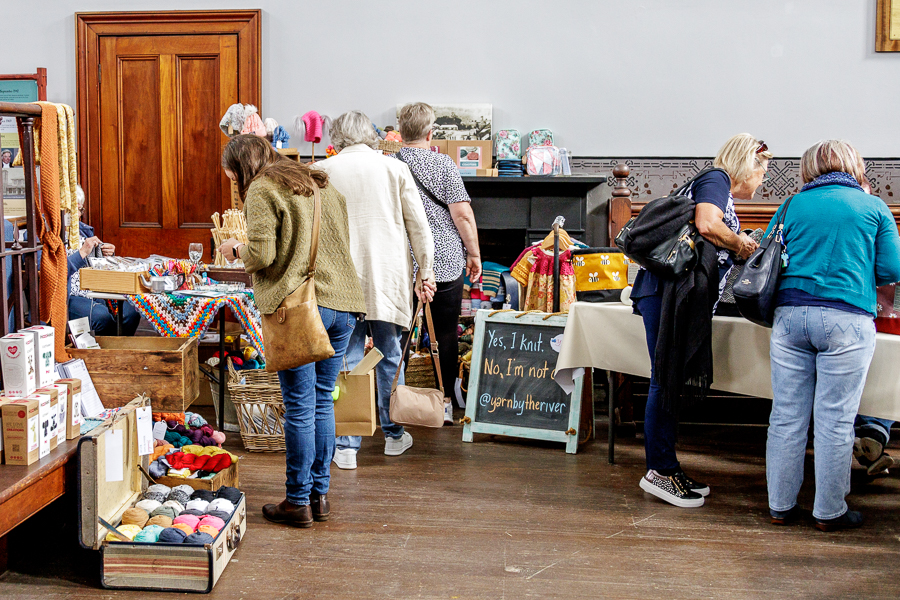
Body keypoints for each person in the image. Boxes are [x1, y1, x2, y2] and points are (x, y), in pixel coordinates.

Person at [218, 134, 367, 528]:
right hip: (344, 303)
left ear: (242, 167)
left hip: (301, 307)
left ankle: (297, 501)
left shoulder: (264, 189)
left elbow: (264, 255)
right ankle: (319, 496)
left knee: (300, 406)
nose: (235, 183)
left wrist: (236, 250)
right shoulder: (322, 184)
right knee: (321, 402)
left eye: (233, 175)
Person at [766, 140, 900, 531]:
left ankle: (780, 506)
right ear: (854, 165)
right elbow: (891, 268)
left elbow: (764, 251)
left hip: (790, 316)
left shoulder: (791, 205)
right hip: (847, 318)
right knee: (836, 420)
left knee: (786, 418)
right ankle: (829, 512)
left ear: (809, 168)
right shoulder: (872, 206)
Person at [630, 133, 767, 508]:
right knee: (665, 380)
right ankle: (659, 471)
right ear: (748, 165)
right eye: (762, 172)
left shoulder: (715, 185)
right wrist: (740, 243)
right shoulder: (717, 179)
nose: (762, 181)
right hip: (665, 293)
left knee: (669, 381)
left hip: (667, 294)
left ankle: (668, 467)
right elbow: (707, 225)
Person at [315, 110, 436, 470]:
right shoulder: (394, 168)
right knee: (387, 353)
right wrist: (425, 273)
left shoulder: (320, 171)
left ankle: (347, 445)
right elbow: (420, 228)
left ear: (336, 137)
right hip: (387, 278)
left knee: (347, 359)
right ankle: (394, 435)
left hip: (340, 282)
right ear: (369, 135)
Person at [396, 102, 482, 424]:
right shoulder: (443, 164)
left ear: (401, 132)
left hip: (401, 262)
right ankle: (444, 402)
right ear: (431, 132)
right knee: (445, 333)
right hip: (444, 259)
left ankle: (396, 400)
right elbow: (462, 214)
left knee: (399, 333)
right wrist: (473, 254)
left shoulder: (389, 164)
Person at [67, 185, 142, 336]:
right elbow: (49, 272)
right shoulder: (47, 235)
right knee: (102, 318)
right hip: (69, 295)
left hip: (95, 289)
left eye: (79, 210)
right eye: (71, 210)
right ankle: (103, 352)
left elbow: (96, 265)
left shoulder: (83, 231)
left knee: (130, 312)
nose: (77, 216)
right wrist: (80, 254)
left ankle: (120, 353)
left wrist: (107, 256)